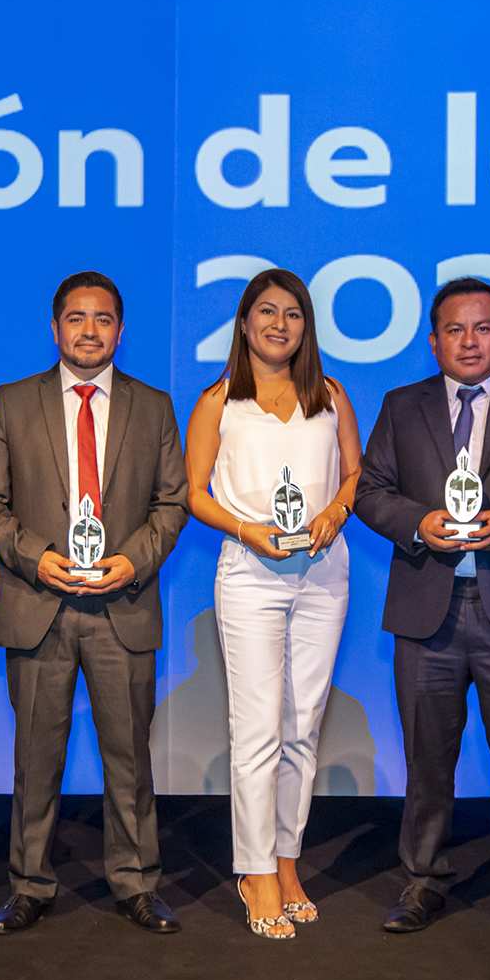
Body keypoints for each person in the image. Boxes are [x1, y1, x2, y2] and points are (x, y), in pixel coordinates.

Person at [0, 271, 191, 936]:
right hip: (40, 604)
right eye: (75, 318)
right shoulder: (13, 401)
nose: (89, 331)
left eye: (102, 319)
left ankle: (136, 883)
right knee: (36, 756)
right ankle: (30, 884)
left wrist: (132, 561)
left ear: (120, 329)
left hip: (123, 605)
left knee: (129, 756)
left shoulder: (153, 406)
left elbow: (172, 502)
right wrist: (38, 556)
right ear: (55, 327)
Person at [354, 277, 490, 938]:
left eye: (484, 327)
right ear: (433, 339)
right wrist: (418, 522)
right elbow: (370, 490)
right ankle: (423, 879)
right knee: (427, 757)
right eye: (455, 329)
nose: (469, 341)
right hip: (425, 609)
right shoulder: (401, 404)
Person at [183, 269, 362, 940]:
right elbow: (193, 492)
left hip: (322, 575)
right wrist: (244, 527)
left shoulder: (331, 395)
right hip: (251, 575)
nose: (280, 323)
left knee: (302, 726)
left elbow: (355, 472)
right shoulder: (218, 401)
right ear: (244, 322)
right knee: (256, 728)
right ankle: (254, 870)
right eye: (267, 311)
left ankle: (287, 862)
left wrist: (340, 511)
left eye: (293, 313)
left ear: (306, 326)